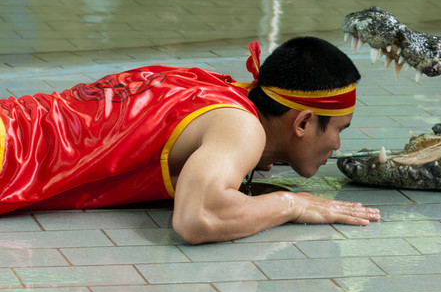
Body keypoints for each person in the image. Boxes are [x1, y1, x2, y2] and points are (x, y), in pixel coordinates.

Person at [0, 37, 380, 244]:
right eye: (338, 131)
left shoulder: (214, 88)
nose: (338, 148)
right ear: (303, 122)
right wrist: (290, 204)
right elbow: (195, 219)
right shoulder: (241, 129)